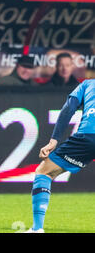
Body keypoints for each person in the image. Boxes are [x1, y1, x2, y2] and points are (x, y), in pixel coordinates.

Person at [25, 79, 94, 233]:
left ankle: (37, 229)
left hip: (89, 136)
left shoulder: (88, 84)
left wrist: (53, 140)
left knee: (44, 172)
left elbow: (69, 108)